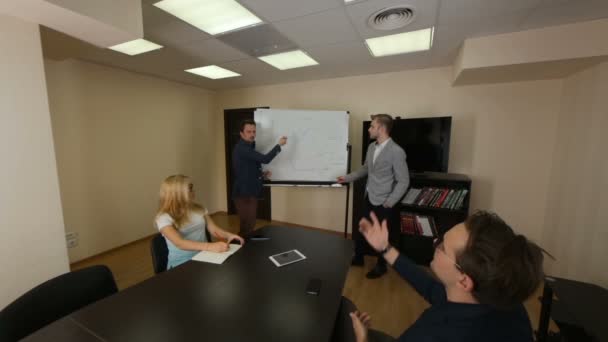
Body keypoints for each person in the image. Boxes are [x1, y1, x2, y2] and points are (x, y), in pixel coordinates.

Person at [349, 210, 546, 342]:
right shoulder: (505, 300)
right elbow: (431, 288)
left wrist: (361, 338)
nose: (435, 243)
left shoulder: (435, 333)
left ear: (464, 280)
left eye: (442, 246)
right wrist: (385, 248)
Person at [337, 114, 409, 279]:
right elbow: (365, 169)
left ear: (381, 129)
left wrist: (390, 202)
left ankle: (381, 265)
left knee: (383, 235)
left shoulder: (397, 151)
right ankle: (359, 258)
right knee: (363, 227)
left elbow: (403, 181)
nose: (369, 129)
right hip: (369, 196)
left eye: (372, 126)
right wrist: (347, 177)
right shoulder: (371, 147)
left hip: (384, 202)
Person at [155, 174, 244, 269]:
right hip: (181, 264)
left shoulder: (199, 209)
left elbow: (214, 229)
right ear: (178, 193)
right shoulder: (163, 217)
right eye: (190, 188)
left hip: (204, 256)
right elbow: (179, 243)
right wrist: (210, 247)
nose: (194, 191)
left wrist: (229, 235)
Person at [232, 119, 287, 237]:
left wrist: (262, 175)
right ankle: (242, 250)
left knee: (249, 225)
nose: (252, 134)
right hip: (243, 194)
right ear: (241, 133)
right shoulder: (242, 148)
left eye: (254, 131)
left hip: (250, 192)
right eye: (248, 132)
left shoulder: (249, 147)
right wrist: (279, 145)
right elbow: (265, 159)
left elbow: (246, 169)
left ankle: (245, 248)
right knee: (247, 226)